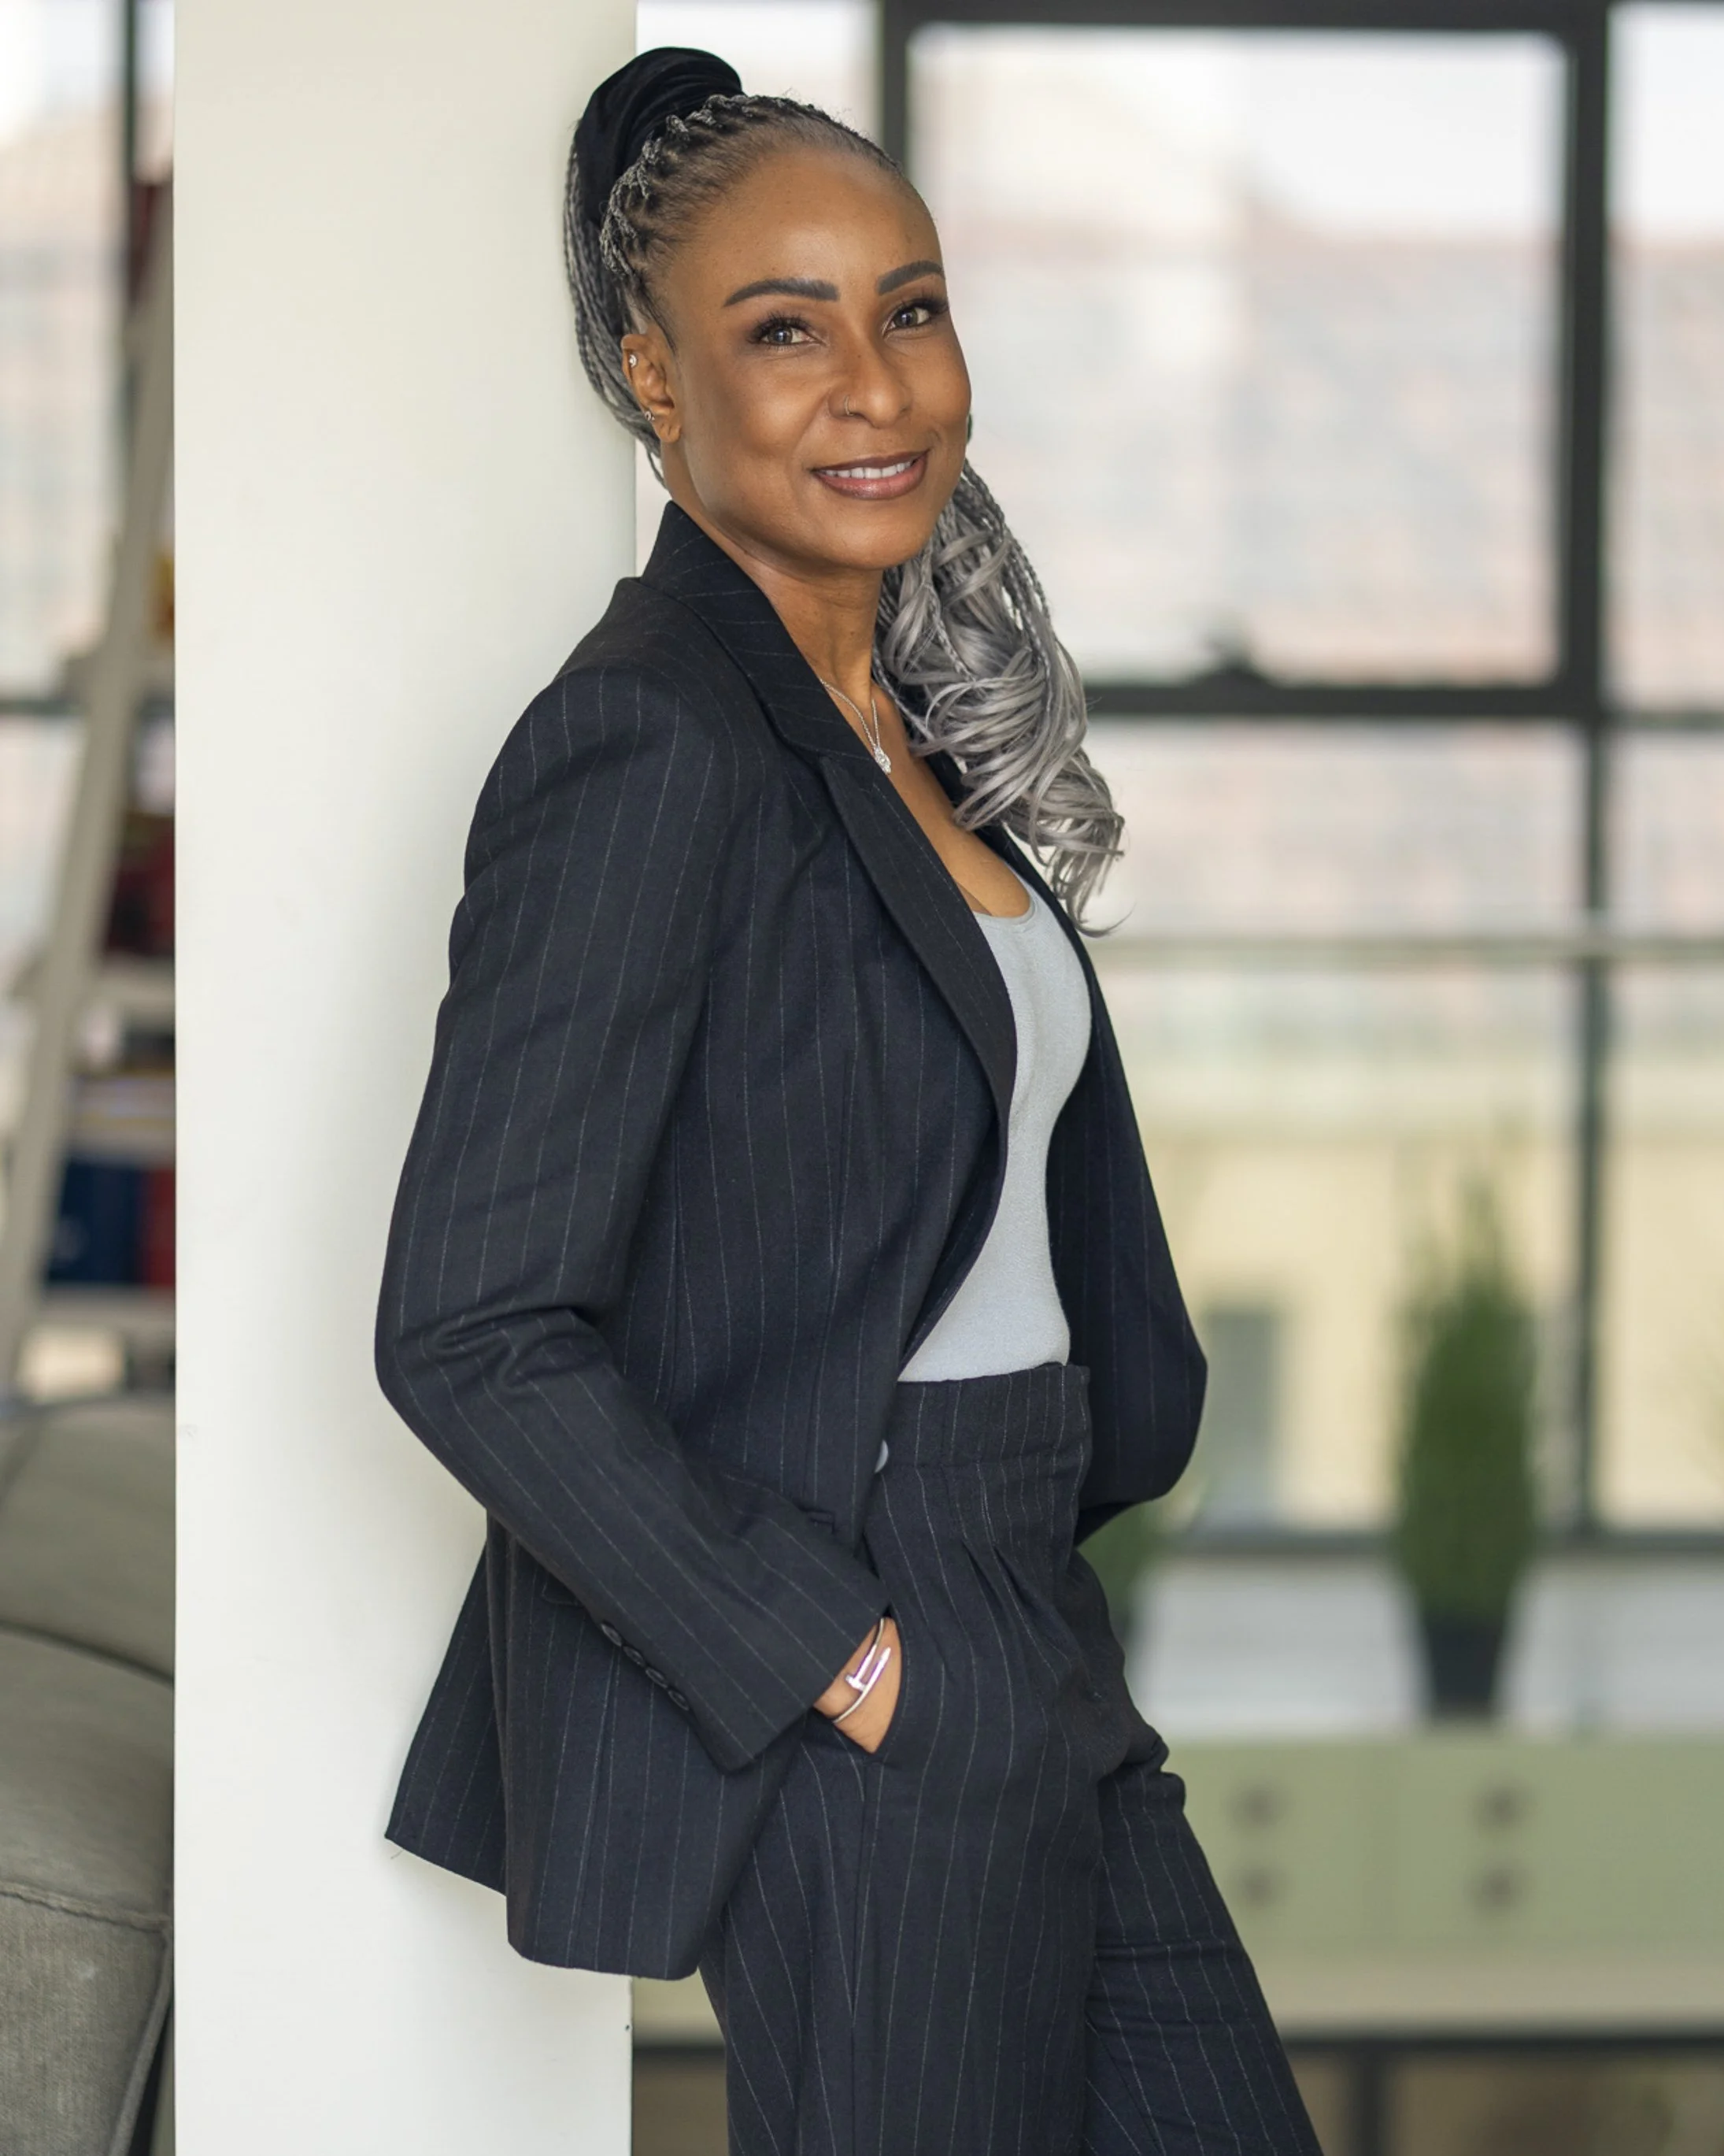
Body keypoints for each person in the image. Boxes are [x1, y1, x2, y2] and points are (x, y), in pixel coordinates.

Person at [375, 46, 1320, 2156]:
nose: (873, 389)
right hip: (865, 1644)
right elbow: (466, 1325)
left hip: (1027, 1605)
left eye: (908, 308)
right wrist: (840, 1656)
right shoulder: (644, 748)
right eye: (779, 333)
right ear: (649, 380)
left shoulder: (903, 718)